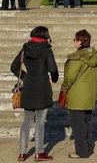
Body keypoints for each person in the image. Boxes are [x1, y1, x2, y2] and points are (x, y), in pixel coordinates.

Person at [10, 26, 59, 162]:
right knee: (40, 122)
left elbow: (13, 67)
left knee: (26, 121)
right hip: (42, 88)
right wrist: (54, 79)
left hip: (29, 87)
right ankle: (39, 152)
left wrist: (26, 77)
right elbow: (53, 69)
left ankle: (22, 153)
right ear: (45, 35)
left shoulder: (26, 47)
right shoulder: (47, 50)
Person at [60, 29, 97, 159]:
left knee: (78, 125)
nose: (74, 42)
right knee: (87, 122)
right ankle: (88, 147)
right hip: (89, 95)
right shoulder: (95, 56)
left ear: (79, 42)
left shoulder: (76, 58)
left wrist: (64, 88)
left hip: (77, 96)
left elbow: (69, 77)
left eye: (75, 39)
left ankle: (81, 152)